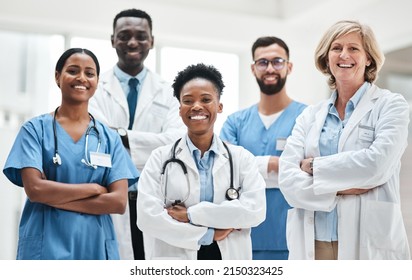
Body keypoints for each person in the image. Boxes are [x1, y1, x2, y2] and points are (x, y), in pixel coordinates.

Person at [278, 20, 411, 260]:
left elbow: (376, 165)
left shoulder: (391, 105)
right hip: (313, 242)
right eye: (336, 48)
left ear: (368, 58)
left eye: (354, 48)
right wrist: (344, 188)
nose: (344, 55)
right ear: (326, 58)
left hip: (368, 241)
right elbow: (288, 182)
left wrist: (313, 167)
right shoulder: (309, 115)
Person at [2, 48, 139, 260]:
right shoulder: (34, 130)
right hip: (46, 243)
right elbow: (36, 189)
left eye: (89, 73)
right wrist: (92, 188)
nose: (81, 78)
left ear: (96, 81)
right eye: (73, 71)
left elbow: (118, 202)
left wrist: (54, 198)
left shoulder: (108, 138)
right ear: (58, 76)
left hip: (94, 244)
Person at [136, 63, 266, 260]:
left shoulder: (241, 159)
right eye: (188, 101)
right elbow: (147, 218)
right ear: (180, 109)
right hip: (176, 257)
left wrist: (190, 215)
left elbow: (254, 211)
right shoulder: (159, 158)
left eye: (206, 99)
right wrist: (208, 234)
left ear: (219, 106)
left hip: (228, 255)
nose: (196, 106)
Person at [88, 9, 185, 260]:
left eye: (141, 36)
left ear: (152, 40)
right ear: (112, 40)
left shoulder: (168, 92)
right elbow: (97, 140)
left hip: (154, 196)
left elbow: (174, 144)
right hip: (110, 196)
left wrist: (119, 136)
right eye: (124, 36)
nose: (132, 42)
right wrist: (146, 145)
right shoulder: (95, 88)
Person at [219, 36, 306, 260]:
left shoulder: (308, 118)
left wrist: (248, 170)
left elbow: (309, 175)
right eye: (262, 62)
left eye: (277, 61)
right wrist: (275, 165)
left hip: (292, 238)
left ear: (289, 66)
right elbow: (224, 173)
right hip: (241, 237)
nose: (270, 68)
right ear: (253, 68)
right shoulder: (235, 122)